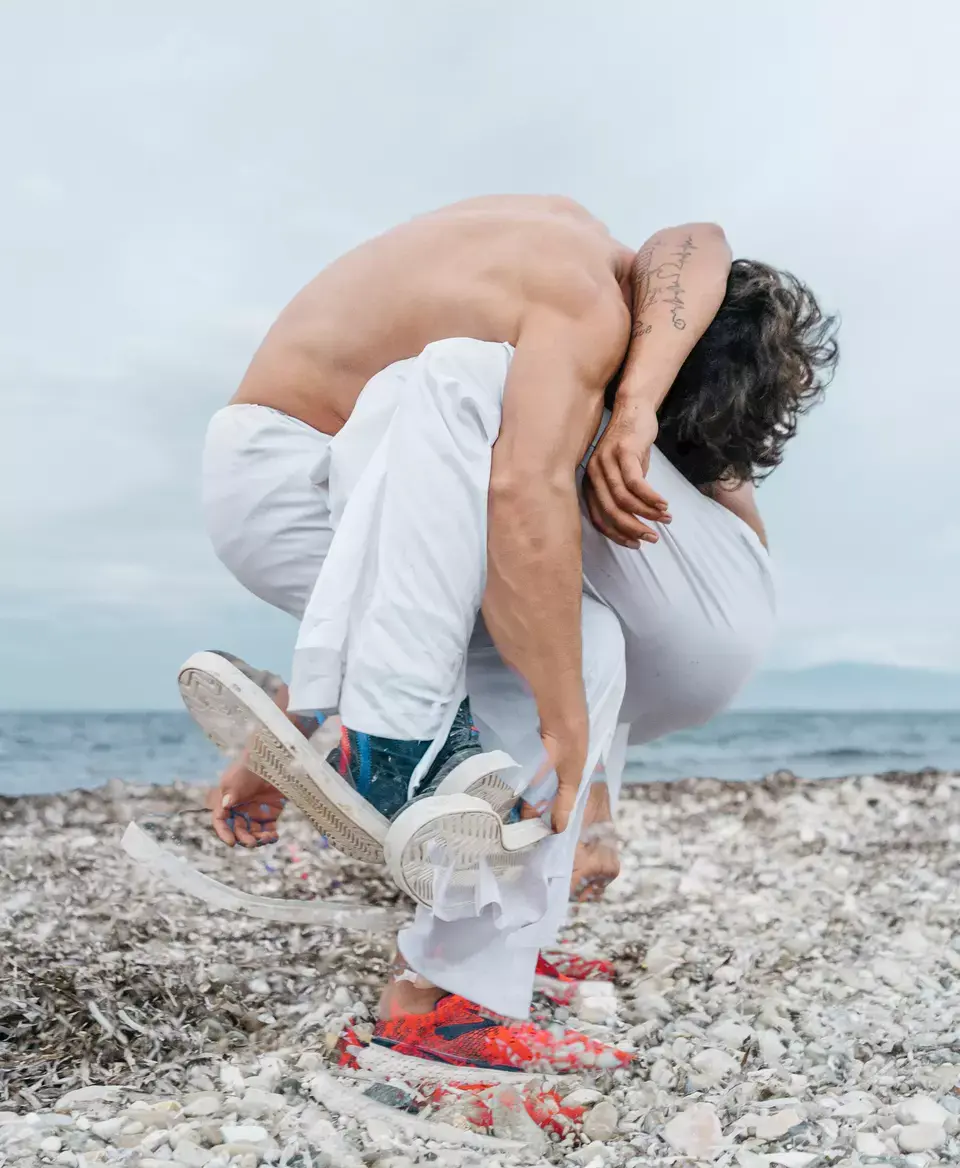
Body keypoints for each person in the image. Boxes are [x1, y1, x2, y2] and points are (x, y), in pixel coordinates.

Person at [182, 195, 837, 1079]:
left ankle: (476, 938)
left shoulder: (584, 251)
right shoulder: (577, 312)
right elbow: (522, 496)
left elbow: (700, 239)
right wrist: (567, 719)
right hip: (295, 469)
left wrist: (640, 405)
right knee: (566, 641)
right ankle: (434, 982)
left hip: (297, 465)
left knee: (569, 642)